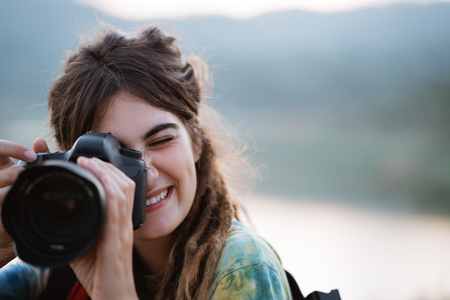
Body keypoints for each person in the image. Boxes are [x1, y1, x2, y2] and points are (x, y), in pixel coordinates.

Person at [0, 25, 293, 299]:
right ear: (72, 169)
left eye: (161, 141)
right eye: (112, 155)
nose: (147, 174)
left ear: (196, 141)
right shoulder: (58, 260)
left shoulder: (241, 267)